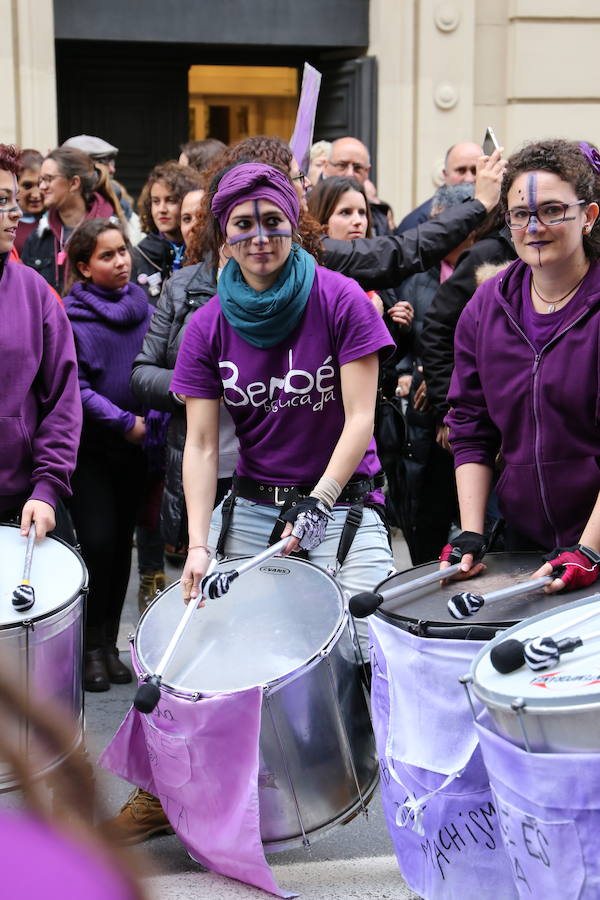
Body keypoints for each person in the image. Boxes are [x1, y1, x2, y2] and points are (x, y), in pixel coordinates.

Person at [442, 139, 600, 596]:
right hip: (523, 542)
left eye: (553, 211)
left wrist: (589, 550)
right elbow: (470, 425)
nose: (534, 227)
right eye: (520, 214)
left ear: (588, 216)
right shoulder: (486, 306)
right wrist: (472, 532)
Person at [64, 218, 153, 691]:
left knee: (122, 551)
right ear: (83, 267)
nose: (121, 261)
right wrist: (125, 423)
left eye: (123, 251)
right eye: (107, 255)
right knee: (96, 544)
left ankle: (110, 648)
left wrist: (148, 424)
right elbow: (75, 388)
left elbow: (156, 366)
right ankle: (89, 648)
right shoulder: (70, 316)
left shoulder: (145, 307)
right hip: (92, 451)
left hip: (136, 451)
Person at [387, 183, 476, 563]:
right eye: (436, 223)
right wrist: (409, 373)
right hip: (422, 427)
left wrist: (447, 399)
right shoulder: (417, 274)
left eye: (447, 225)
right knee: (425, 523)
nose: (438, 233)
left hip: (468, 417)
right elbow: (403, 349)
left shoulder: (492, 271)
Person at [0, 143, 81, 543]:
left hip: (23, 504)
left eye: (13, 199)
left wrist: (48, 488)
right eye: (2, 201)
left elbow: (63, 400)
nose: (15, 212)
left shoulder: (35, 292)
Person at [21, 147, 124, 294]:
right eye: (41, 180)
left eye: (49, 179)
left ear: (74, 183)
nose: (42, 187)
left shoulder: (110, 232)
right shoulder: (38, 237)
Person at [131, 161, 202, 302]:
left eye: (171, 200)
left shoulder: (203, 252)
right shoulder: (138, 256)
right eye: (156, 201)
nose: (162, 209)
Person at [396, 141, 483, 233]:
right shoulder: (417, 222)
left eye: (475, 170)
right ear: (445, 175)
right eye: (461, 170)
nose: (469, 179)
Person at [14, 148, 44, 255]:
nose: (36, 194)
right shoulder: (6, 224)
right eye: (27, 186)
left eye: (41, 184)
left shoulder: (57, 219)